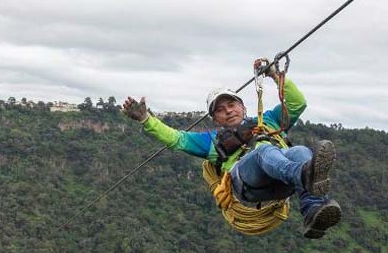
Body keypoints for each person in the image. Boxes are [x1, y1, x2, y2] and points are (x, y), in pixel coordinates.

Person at [121, 64, 342, 238]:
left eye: (232, 105)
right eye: (220, 110)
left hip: (281, 179)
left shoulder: (270, 121)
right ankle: (304, 175)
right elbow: (177, 139)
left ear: (243, 107)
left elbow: (297, 103)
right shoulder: (212, 140)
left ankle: (313, 212)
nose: (228, 111)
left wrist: (275, 75)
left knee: (301, 151)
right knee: (263, 151)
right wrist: (146, 119)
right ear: (214, 118)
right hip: (248, 183)